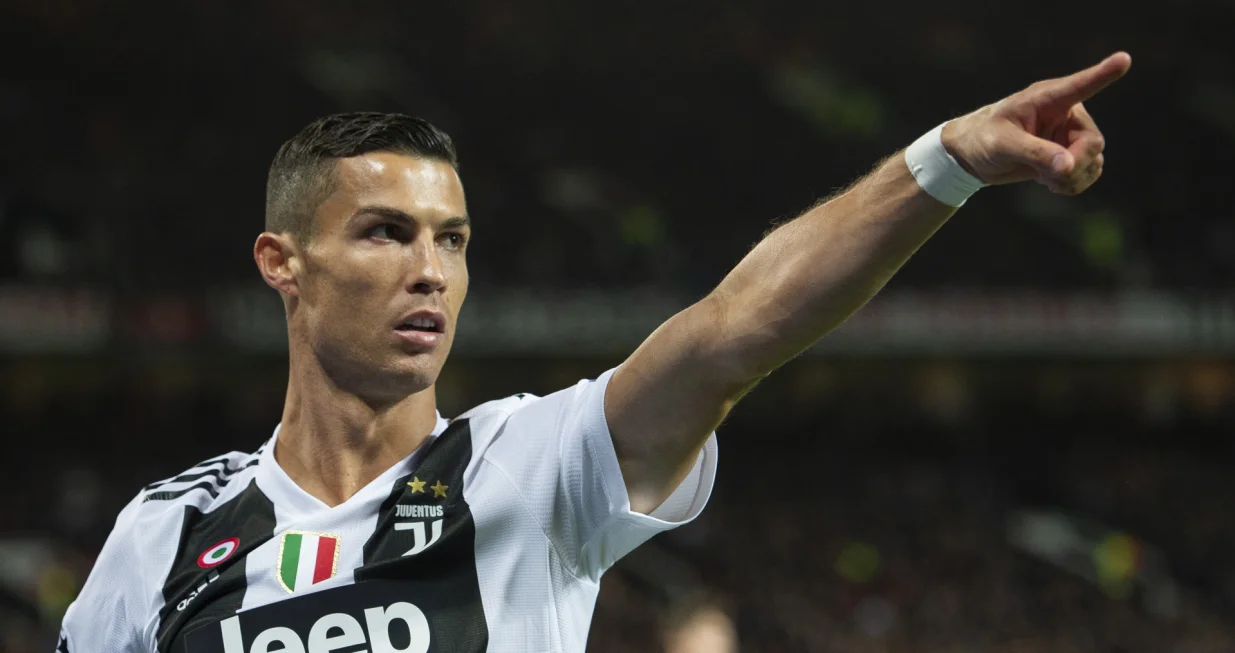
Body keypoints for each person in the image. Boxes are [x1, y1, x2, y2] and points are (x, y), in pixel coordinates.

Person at [56, 52, 1131, 652]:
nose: (430, 270)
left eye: (453, 241)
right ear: (281, 262)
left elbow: (732, 328)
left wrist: (942, 161)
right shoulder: (163, 534)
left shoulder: (527, 465)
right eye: (385, 232)